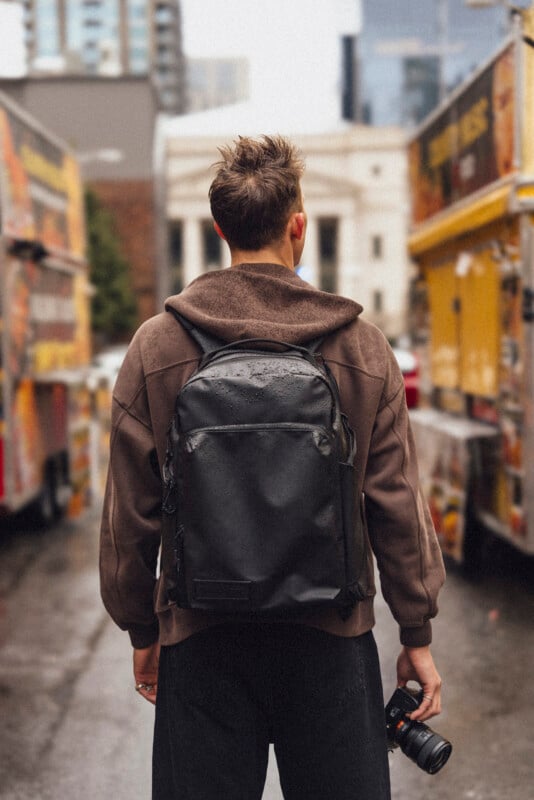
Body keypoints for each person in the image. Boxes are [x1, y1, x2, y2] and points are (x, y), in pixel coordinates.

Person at [100, 134, 445, 800]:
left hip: (202, 640)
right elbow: (396, 503)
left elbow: (129, 515)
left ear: (221, 228)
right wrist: (417, 632)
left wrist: (143, 630)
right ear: (299, 228)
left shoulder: (158, 346)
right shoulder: (361, 346)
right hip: (330, 640)